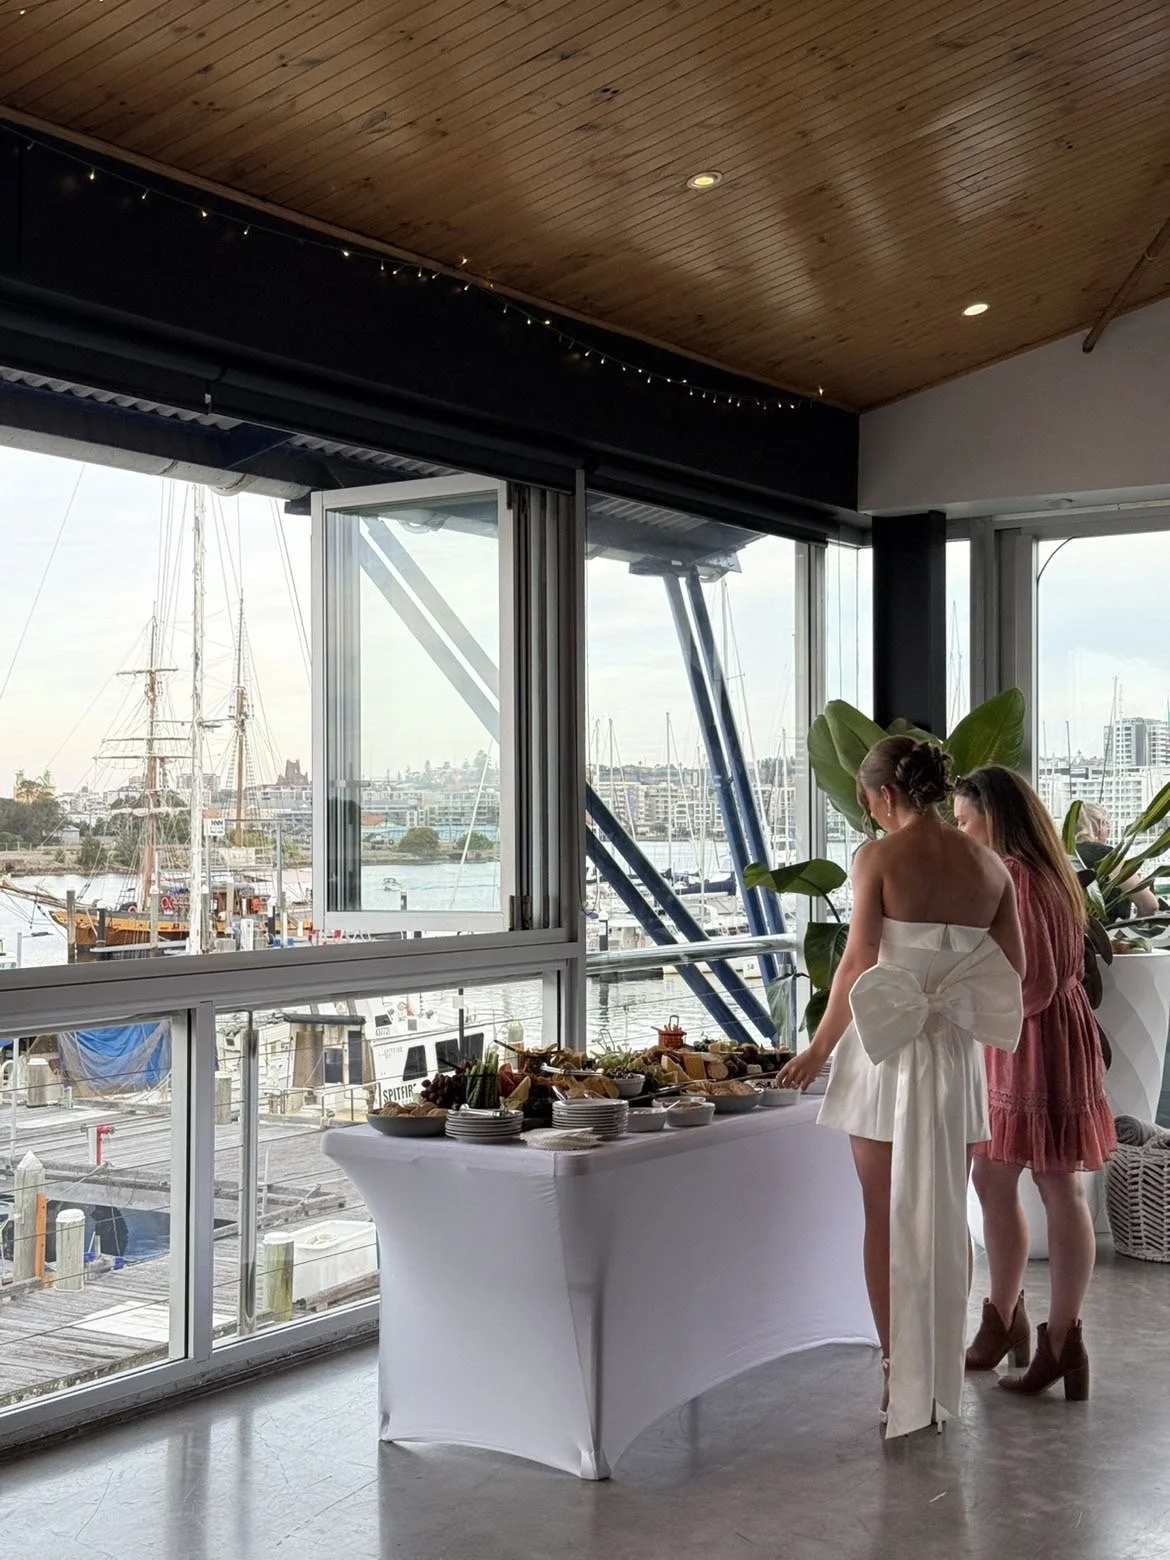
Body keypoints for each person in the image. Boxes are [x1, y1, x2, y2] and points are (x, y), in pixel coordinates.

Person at [780, 737, 1025, 1437]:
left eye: (869, 803)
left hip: (884, 1057)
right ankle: (940, 1370)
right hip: (953, 1058)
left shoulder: (878, 857)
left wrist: (818, 1048)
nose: (871, 815)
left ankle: (899, 1376)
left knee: (884, 1218)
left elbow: (857, 960)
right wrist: (947, 991)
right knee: (945, 1215)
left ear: (885, 795)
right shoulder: (990, 866)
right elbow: (1013, 970)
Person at [954, 767, 1116, 1401]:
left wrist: (965, 1007)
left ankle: (1050, 1336)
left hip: (1031, 1039)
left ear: (994, 818)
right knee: (1013, 1179)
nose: (962, 835)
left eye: (966, 822)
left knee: (1045, 1184)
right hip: (1048, 1036)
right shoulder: (1050, 872)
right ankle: (1017, 1323)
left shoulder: (1016, 875)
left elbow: (1034, 982)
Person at [1074, 800, 1158, 919]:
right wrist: (1134, 927)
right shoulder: (1107, 857)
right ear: (1099, 825)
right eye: (1107, 825)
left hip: (1069, 930)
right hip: (1108, 930)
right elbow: (1149, 905)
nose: (1108, 831)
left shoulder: (1061, 856)